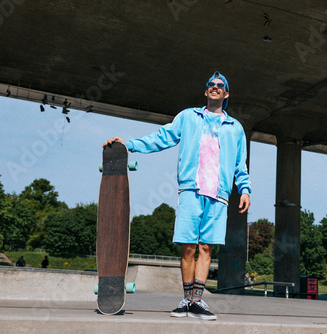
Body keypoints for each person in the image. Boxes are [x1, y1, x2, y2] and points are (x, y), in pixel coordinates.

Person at [103, 72, 251, 320]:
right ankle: (186, 299)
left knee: (206, 247)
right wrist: (129, 145)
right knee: (188, 247)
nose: (215, 88)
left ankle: (197, 301)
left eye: (220, 86)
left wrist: (244, 189)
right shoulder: (188, 117)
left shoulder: (235, 128)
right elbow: (163, 138)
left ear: (226, 94)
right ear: (206, 92)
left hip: (218, 194)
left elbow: (240, 164)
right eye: (210, 85)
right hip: (191, 190)